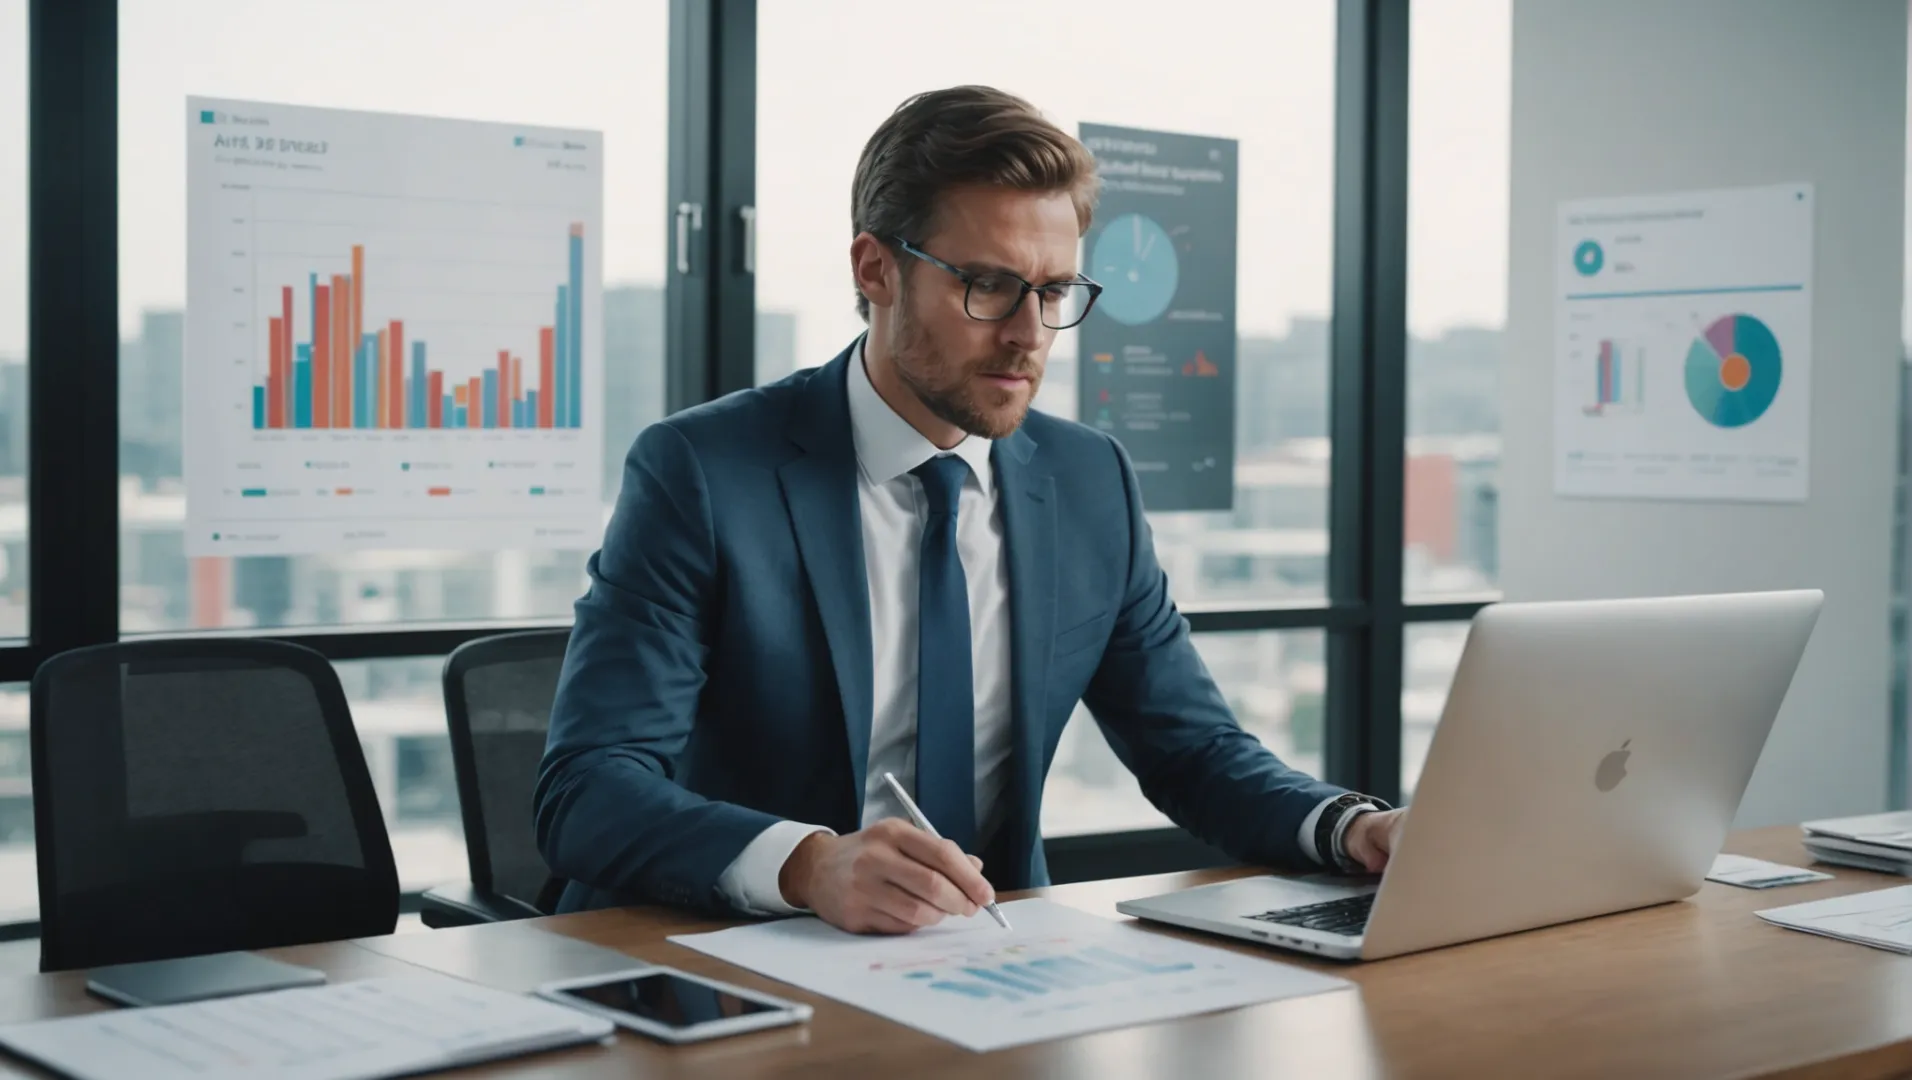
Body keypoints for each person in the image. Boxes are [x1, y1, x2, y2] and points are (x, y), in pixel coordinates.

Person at [536, 85, 1406, 934]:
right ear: (875, 268)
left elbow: (1192, 751)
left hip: (989, 960)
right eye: (988, 286)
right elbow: (587, 787)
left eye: (1055, 291)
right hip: (732, 965)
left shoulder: (1087, 479)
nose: (1029, 333)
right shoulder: (705, 471)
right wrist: (809, 866)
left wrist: (1354, 829)